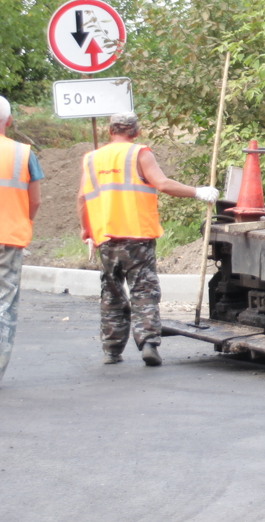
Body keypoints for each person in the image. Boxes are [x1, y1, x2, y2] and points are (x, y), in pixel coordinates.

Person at [77, 113, 219, 367]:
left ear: (110, 131)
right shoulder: (139, 153)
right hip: (137, 237)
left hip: (106, 239)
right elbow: (162, 184)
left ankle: (111, 350)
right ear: (136, 132)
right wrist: (198, 192)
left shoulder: (91, 158)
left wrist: (87, 230)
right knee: (144, 290)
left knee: (111, 293)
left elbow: (82, 198)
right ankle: (149, 343)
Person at [0, 95, 43, 391]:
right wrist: (22, 223)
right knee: (0, 305)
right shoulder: (23, 153)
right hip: (7, 239)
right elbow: (35, 200)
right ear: (9, 121)